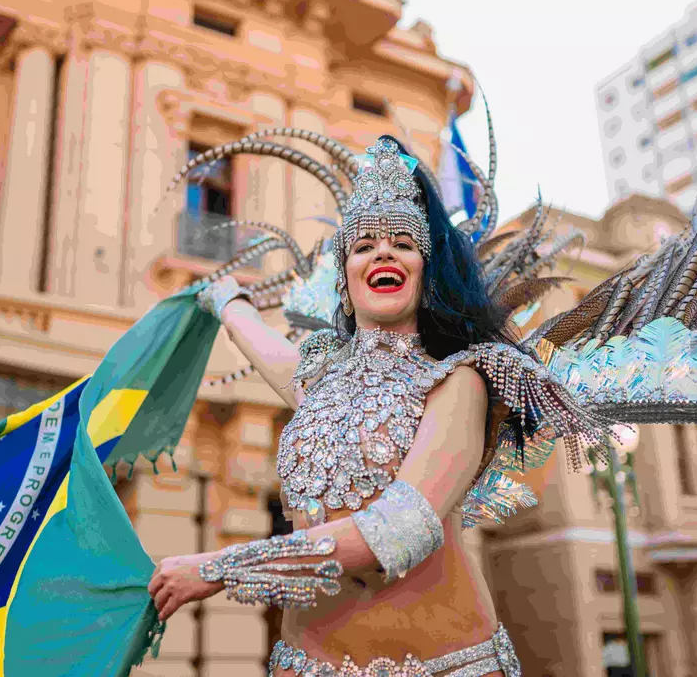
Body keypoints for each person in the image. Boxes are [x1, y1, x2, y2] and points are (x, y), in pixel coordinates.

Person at [146, 136, 598, 677]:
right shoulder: (321, 381)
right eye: (363, 247)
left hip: (444, 666)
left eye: (403, 243)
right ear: (345, 278)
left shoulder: (458, 379)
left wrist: (219, 568)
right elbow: (264, 346)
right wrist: (222, 298)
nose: (383, 252)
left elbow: (400, 528)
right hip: (306, 664)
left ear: (425, 272)